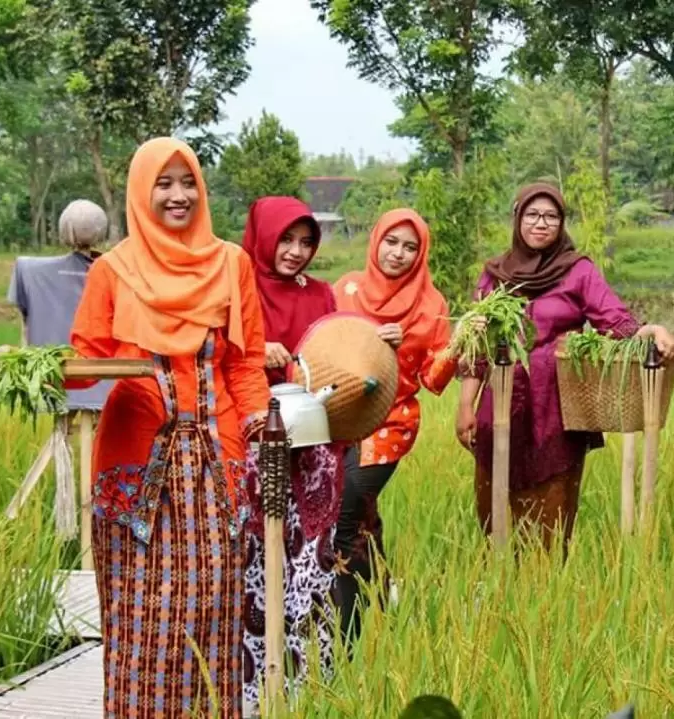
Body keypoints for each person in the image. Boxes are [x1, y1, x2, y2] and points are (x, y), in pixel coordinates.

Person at [68, 137, 269, 718]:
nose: (178, 195)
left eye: (188, 183)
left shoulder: (231, 264)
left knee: (214, 606)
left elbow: (244, 362)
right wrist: (34, 370)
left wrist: (259, 423)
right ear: (140, 192)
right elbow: (88, 360)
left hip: (215, 464)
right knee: (140, 613)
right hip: (136, 468)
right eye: (164, 183)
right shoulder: (113, 271)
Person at [455, 182, 674, 556]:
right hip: (500, 405)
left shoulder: (577, 271)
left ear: (561, 222)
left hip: (556, 408)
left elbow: (614, 319)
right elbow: (477, 346)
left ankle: (546, 594)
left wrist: (649, 330)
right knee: (494, 512)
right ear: (517, 218)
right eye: (532, 214)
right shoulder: (495, 274)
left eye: (551, 216)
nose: (541, 223)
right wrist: (466, 404)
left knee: (552, 519)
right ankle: (497, 592)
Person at [331, 208, 466, 645]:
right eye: (392, 242)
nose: (399, 253)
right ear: (376, 241)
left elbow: (433, 378)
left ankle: (347, 633)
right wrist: (368, 340)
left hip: (390, 423)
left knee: (345, 516)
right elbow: (318, 347)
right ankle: (386, 614)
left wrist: (459, 344)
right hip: (337, 418)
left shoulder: (431, 305)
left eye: (410, 247)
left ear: (420, 253)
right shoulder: (345, 289)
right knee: (365, 521)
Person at [239, 196, 342, 710]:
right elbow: (217, 354)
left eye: (306, 242)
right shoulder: (238, 287)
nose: (296, 251)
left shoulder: (322, 295)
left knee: (310, 569)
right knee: (257, 567)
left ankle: (308, 689)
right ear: (263, 236)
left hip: (314, 452)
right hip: (256, 449)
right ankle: (251, 686)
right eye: (286, 239)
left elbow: (337, 359)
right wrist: (257, 353)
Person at [7, 199, 113, 410]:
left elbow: (24, 320)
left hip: (51, 384)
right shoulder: (119, 272)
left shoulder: (30, 270)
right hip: (109, 385)